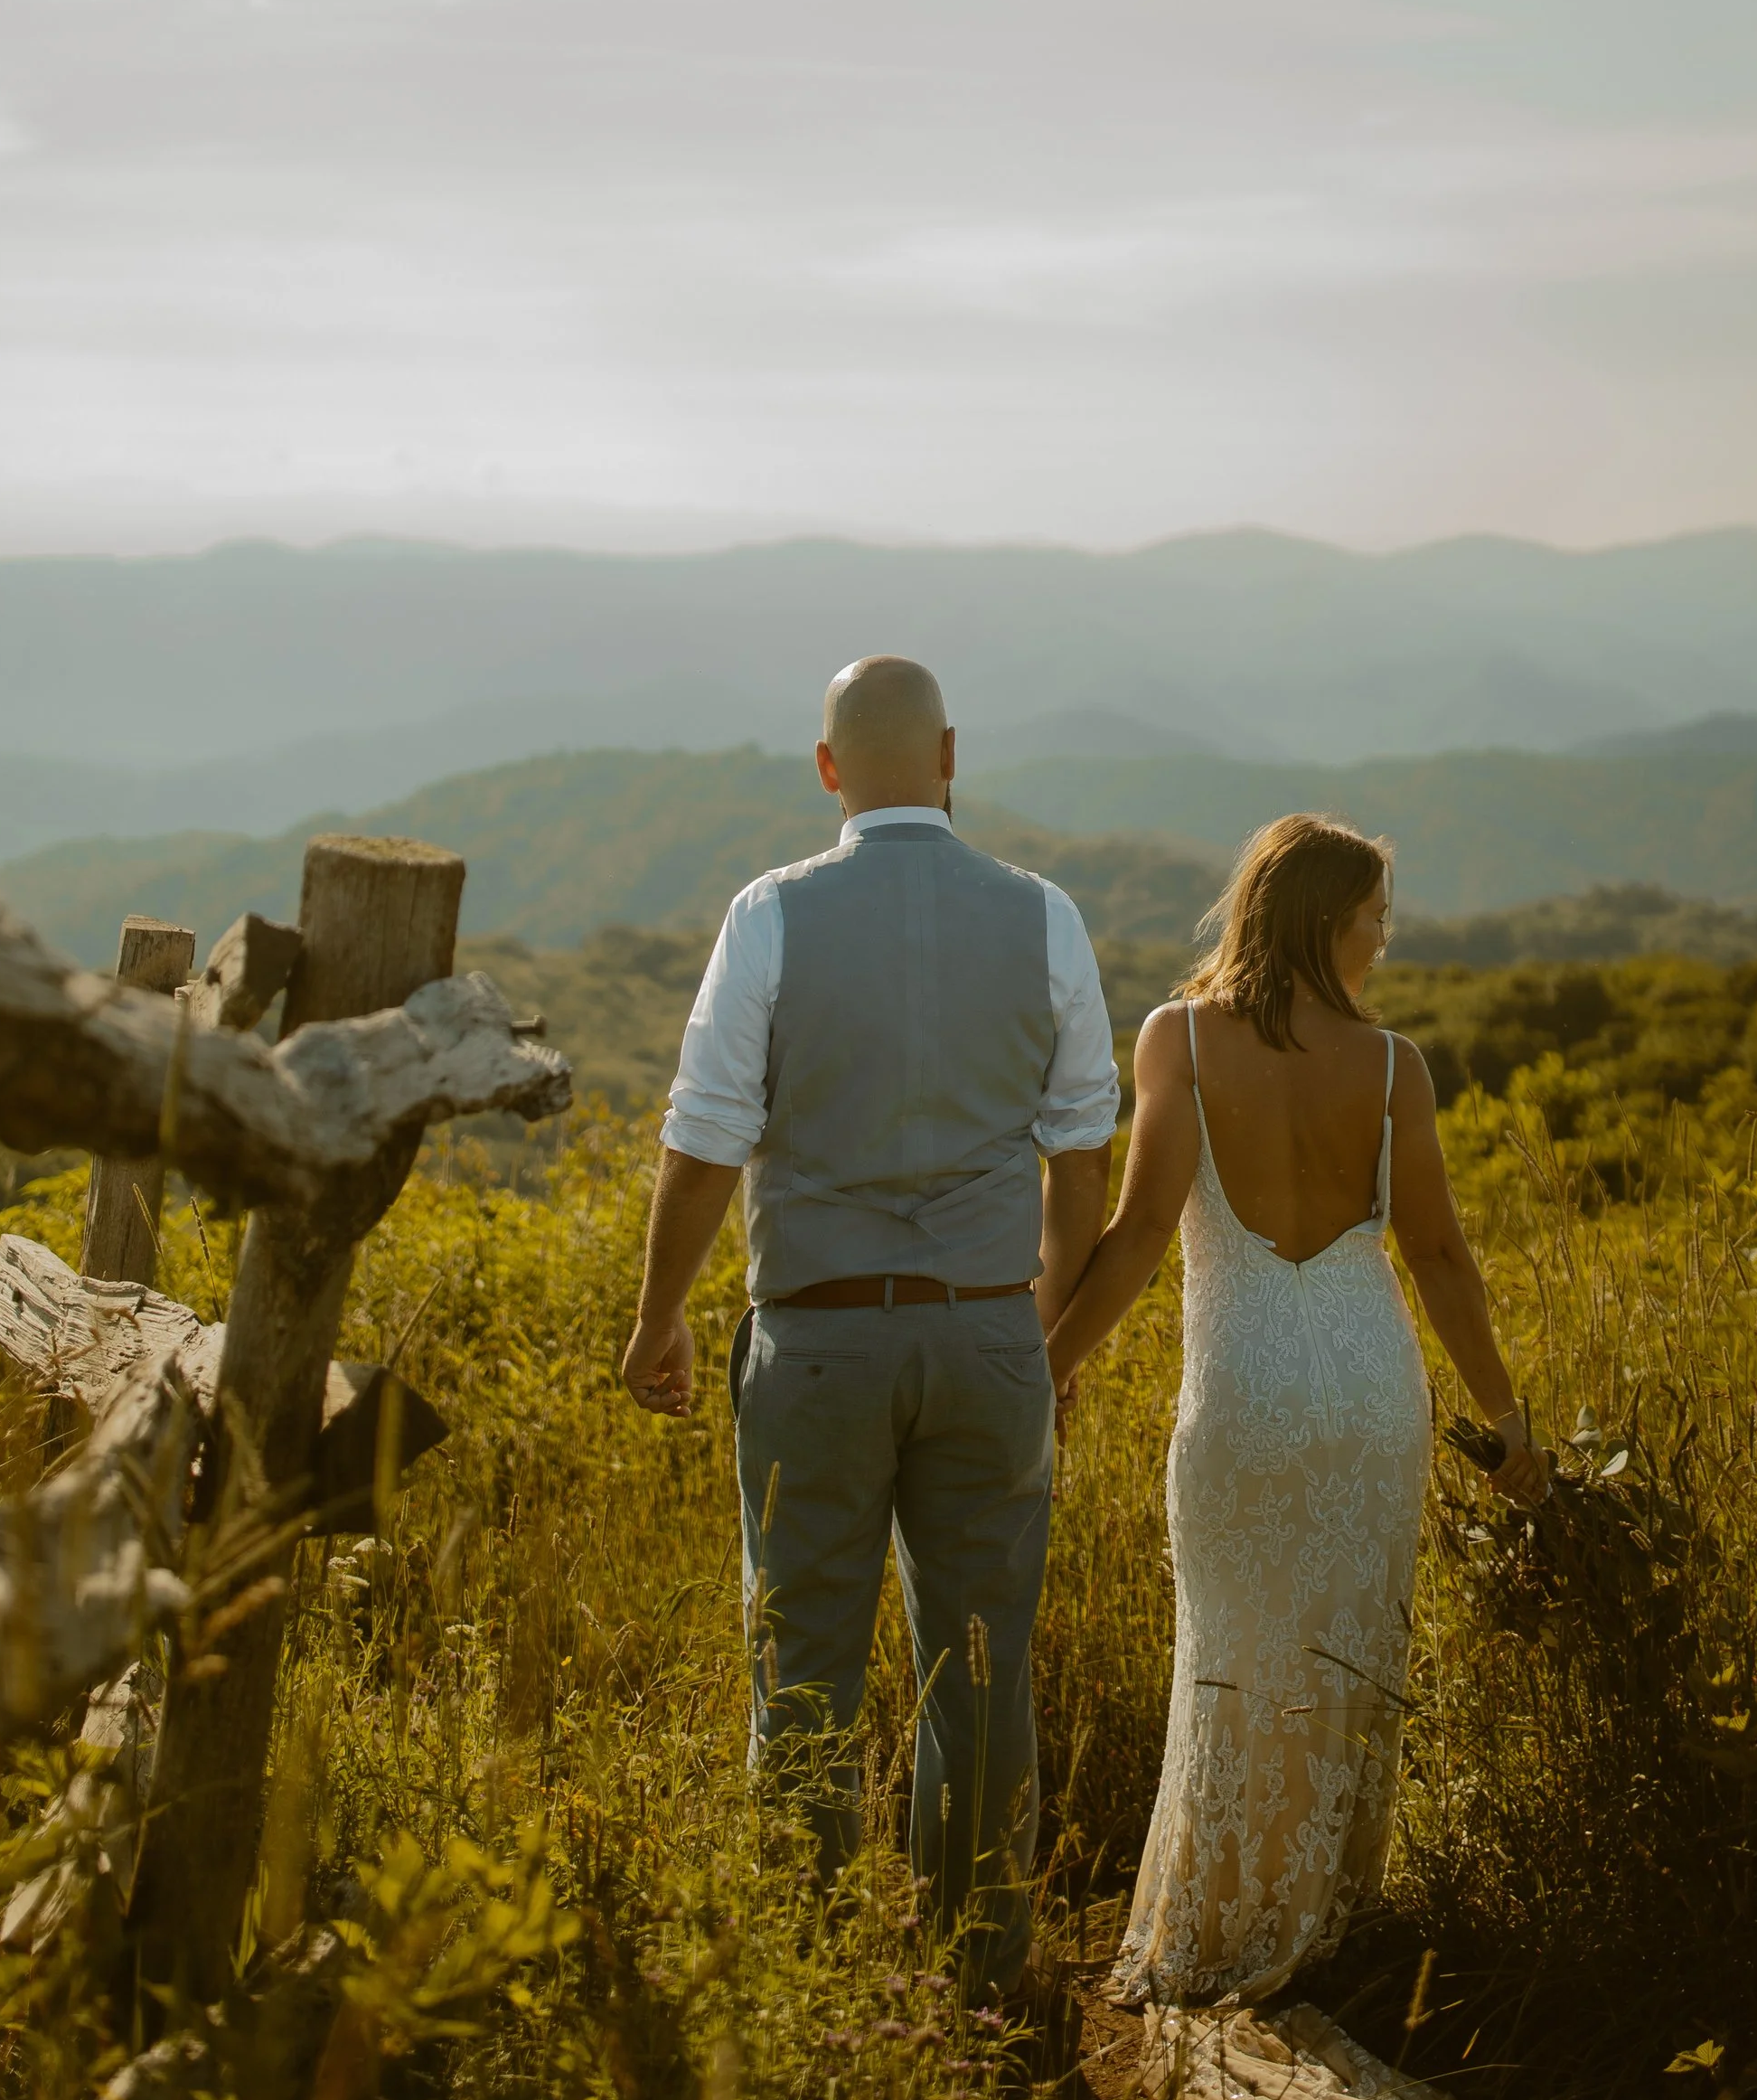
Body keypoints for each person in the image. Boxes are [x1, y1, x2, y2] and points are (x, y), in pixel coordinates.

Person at [620, 654, 1119, 1995]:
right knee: (981, 1660)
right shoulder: (1047, 917)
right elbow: (1082, 1158)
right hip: (986, 1334)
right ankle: (981, 1968)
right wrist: (1045, 1337)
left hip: (819, 1339)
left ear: (828, 769)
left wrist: (660, 1314)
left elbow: (705, 1138)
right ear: (950, 754)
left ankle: (816, 1977)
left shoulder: (770, 915)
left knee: (805, 1665)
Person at [1046, 812, 1546, 2006]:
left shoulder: (1178, 1038)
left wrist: (1048, 1364)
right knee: (1345, 1666)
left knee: (1230, 1662)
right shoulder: (1392, 1067)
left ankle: (1217, 1928)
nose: (1387, 930)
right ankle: (1321, 1929)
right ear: (1329, 918)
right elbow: (1438, 1255)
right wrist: (1508, 1416)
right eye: (1378, 908)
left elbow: (1139, 1235)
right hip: (1373, 1391)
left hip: (1246, 1391)